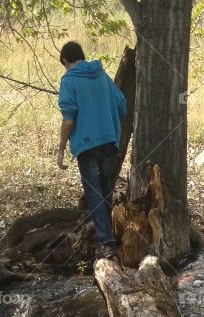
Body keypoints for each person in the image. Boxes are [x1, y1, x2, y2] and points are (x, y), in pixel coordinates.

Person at [57, 41, 126, 260]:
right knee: (105, 189)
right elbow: (121, 103)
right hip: (108, 140)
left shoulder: (69, 80)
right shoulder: (101, 75)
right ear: (82, 56)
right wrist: (109, 123)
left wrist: (61, 149)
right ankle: (111, 235)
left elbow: (69, 118)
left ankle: (106, 243)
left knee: (94, 193)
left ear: (65, 61)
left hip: (86, 145)